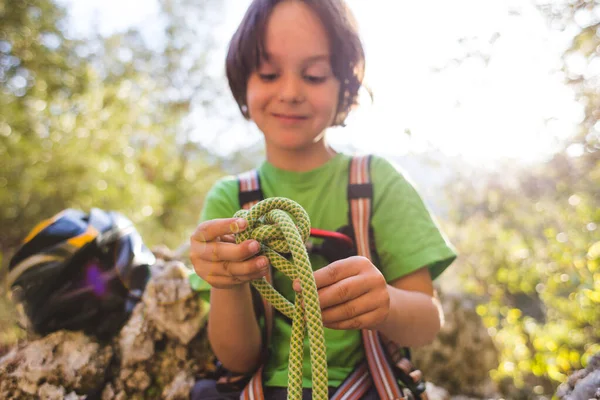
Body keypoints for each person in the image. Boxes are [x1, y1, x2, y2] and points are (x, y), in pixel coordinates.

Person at [189, 0, 457, 398]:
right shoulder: (231, 200)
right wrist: (227, 283)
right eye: (268, 73)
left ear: (344, 87)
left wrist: (385, 304)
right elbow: (237, 359)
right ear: (243, 81)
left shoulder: (376, 183)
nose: (291, 92)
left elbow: (425, 319)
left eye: (314, 76)